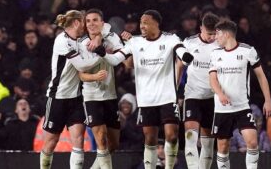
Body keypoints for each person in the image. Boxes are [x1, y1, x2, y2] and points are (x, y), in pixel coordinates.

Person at [93, 9, 194, 169]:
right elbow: (117, 59)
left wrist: (186, 56)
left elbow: (181, 50)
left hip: (167, 96)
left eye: (145, 22)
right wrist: (103, 53)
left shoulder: (170, 39)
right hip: (146, 99)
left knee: (172, 135)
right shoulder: (135, 42)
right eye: (141, 23)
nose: (142, 26)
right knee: (149, 138)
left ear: (156, 23)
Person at [40, 10, 105, 169]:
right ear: (76, 22)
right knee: (51, 142)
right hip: (57, 97)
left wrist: (98, 38)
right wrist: (99, 56)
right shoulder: (61, 41)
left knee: (78, 140)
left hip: (75, 99)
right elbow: (82, 65)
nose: (86, 25)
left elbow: (98, 39)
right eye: (84, 21)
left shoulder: (80, 41)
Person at [209, 20, 271, 169]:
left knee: (252, 142)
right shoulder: (215, 53)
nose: (215, 37)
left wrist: (268, 100)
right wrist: (220, 94)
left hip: (242, 107)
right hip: (222, 108)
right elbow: (212, 79)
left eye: (217, 34)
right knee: (223, 147)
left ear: (226, 34)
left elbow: (261, 76)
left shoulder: (247, 50)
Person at [77, 9, 123, 169]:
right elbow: (81, 75)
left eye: (95, 20)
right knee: (101, 139)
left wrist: (101, 38)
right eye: (88, 21)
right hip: (91, 96)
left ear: (102, 23)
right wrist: (95, 77)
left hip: (110, 95)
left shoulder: (111, 38)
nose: (91, 24)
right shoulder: (81, 45)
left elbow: (122, 57)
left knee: (114, 144)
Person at [180, 13, 220, 169]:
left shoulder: (220, 44)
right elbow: (179, 66)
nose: (211, 37)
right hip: (192, 96)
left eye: (214, 34)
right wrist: (177, 90)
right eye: (209, 33)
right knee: (190, 137)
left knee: (208, 143)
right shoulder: (189, 43)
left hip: (212, 97)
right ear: (201, 28)